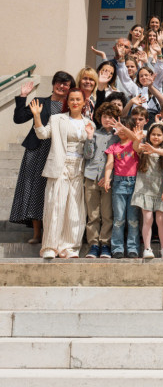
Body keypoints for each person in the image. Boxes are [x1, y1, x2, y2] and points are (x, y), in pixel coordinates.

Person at [29, 88, 93, 259]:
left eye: (78, 99)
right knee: (54, 206)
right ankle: (50, 247)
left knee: (75, 210)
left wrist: (90, 138)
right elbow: (42, 134)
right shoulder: (57, 119)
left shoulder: (89, 123)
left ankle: (69, 248)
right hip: (59, 166)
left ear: (84, 102)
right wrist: (37, 116)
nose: (75, 102)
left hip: (79, 168)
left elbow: (89, 153)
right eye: (71, 99)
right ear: (68, 101)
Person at [10, 73, 74, 244]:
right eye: (60, 83)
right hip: (36, 151)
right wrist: (23, 96)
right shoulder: (40, 101)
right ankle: (37, 233)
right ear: (53, 84)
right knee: (34, 191)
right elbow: (19, 118)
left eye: (66, 84)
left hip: (58, 152)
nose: (62, 87)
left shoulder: (70, 106)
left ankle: (52, 232)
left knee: (53, 192)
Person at [82, 103, 121, 258]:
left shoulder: (118, 136)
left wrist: (108, 177)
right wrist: (90, 138)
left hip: (108, 180)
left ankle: (105, 244)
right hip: (91, 177)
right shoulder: (94, 133)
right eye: (105, 117)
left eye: (111, 117)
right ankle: (93, 245)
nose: (107, 120)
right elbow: (87, 155)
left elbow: (118, 160)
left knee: (106, 214)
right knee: (93, 215)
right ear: (99, 117)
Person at [103, 118, 142, 259]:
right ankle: (117, 248)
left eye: (124, 128)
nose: (121, 131)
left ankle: (133, 248)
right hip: (119, 183)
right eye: (118, 129)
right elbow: (110, 164)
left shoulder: (134, 144)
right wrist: (107, 178)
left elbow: (137, 141)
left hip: (134, 183)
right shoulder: (114, 147)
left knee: (133, 219)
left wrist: (125, 128)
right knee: (119, 219)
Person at [132, 123, 163, 259]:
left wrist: (154, 150)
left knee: (161, 220)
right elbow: (136, 147)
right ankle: (147, 248)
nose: (156, 137)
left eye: (159, 135)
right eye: (153, 134)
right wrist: (137, 139)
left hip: (160, 188)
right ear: (149, 135)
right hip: (145, 187)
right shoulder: (145, 147)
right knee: (147, 219)